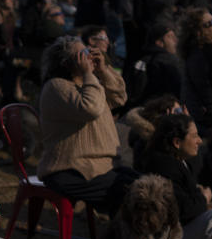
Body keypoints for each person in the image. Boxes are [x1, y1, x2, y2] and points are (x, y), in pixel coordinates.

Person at [37, 35, 137, 217]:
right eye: (82, 54)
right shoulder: (56, 87)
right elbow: (90, 108)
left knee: (143, 184)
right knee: (131, 193)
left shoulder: (87, 83)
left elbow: (119, 97)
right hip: (70, 170)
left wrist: (103, 70)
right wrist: (89, 74)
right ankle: (121, 238)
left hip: (100, 166)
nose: (88, 57)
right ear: (66, 63)